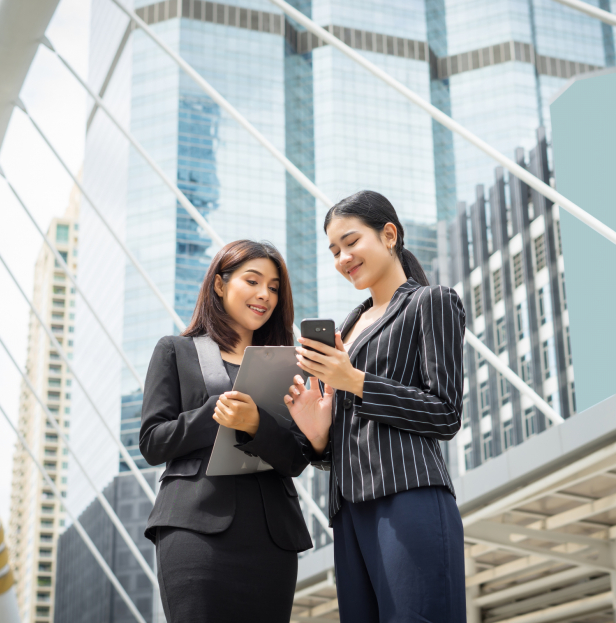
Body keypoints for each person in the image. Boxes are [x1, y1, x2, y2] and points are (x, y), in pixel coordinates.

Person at [285, 190, 468, 623]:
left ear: (389, 235)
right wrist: (316, 434)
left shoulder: (431, 301)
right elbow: (344, 439)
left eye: (351, 242)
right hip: (348, 511)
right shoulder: (347, 326)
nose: (342, 258)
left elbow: (445, 413)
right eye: (334, 251)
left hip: (408, 496)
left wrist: (353, 379)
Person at [140, 240, 317, 623]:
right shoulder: (176, 351)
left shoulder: (291, 366)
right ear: (219, 284)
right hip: (194, 529)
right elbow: (153, 442)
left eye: (273, 287)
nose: (263, 295)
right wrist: (214, 415)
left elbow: (298, 457)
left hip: (272, 538)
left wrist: (256, 425)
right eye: (252, 281)